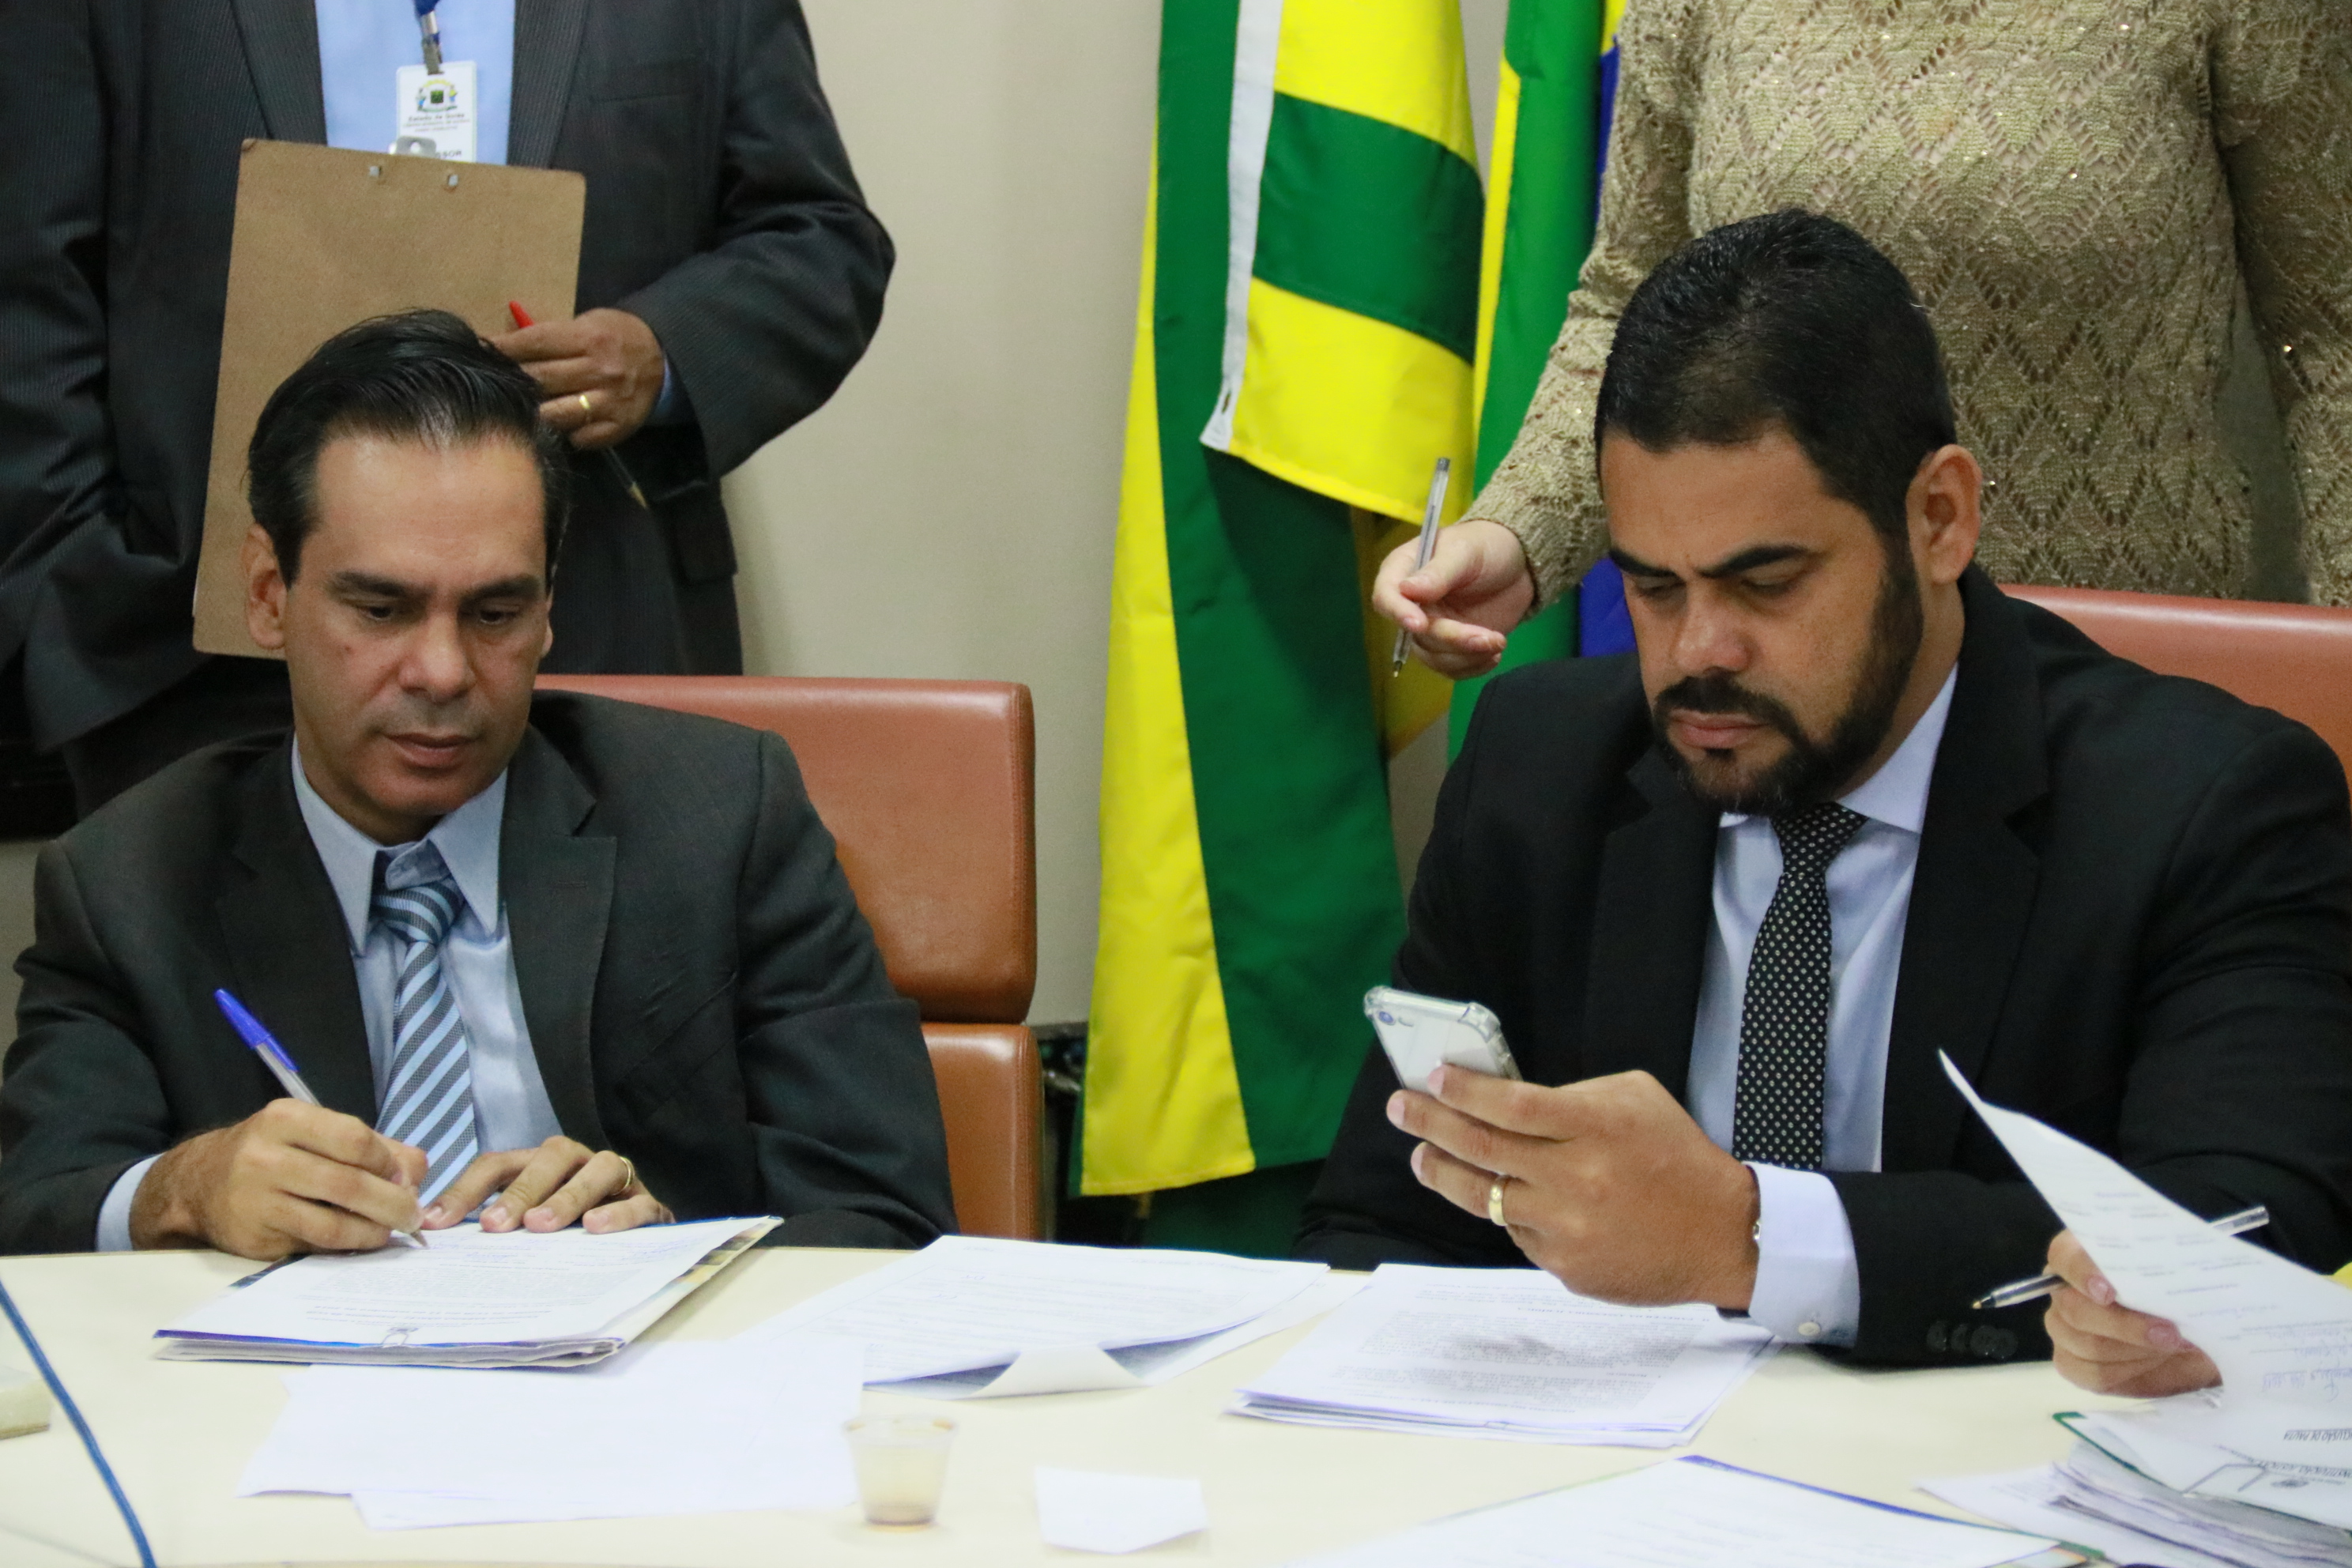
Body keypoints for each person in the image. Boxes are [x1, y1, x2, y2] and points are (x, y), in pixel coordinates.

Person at [1295, 211, 2352, 1367]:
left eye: (1767, 583)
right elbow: (1380, 1231)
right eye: (1653, 588)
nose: (1700, 652)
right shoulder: (1541, 768)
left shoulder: (2205, 805)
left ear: (1939, 518)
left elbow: (2245, 1234)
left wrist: (1751, 1239)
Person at [0, 311, 955, 1259]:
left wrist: (674, 1251)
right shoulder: (130, 879)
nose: (443, 672)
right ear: (267, 594)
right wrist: (183, 1189)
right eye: (382, 608)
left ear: (549, 608)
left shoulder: (722, 816)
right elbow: (35, 1207)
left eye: (495, 613)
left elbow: (886, 1213)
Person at [2, 0, 892, 813]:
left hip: (601, 641)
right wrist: (61, 596)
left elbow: (821, 242)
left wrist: (662, 353)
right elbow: (29, 291)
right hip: (195, 667)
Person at [1378, 0, 2350, 680]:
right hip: (1779, 683)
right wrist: (1515, 535)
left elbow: (2332, 336)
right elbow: (1630, 305)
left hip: (2114, 687)